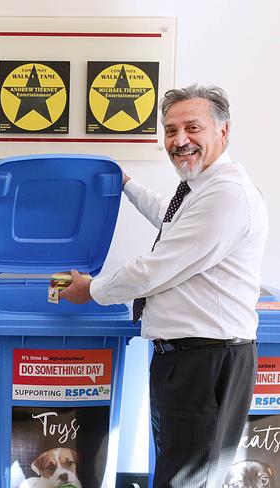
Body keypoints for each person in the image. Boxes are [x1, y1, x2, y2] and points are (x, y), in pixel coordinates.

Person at [59, 84, 268, 487]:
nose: (179, 140)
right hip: (189, 358)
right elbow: (170, 220)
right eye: (171, 131)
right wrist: (126, 184)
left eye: (193, 128)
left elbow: (157, 268)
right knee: (180, 470)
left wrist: (92, 290)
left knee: (188, 478)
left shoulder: (227, 195)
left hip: (206, 361)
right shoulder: (202, 189)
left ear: (223, 132)